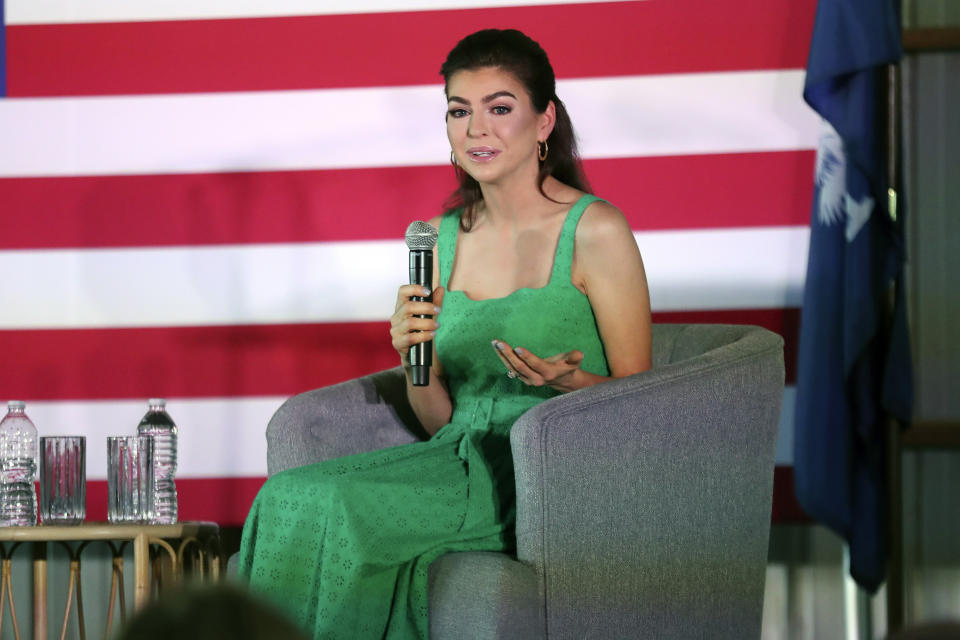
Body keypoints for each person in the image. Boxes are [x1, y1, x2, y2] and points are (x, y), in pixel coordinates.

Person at [238, 28, 652, 639]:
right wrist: (414, 358)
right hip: (454, 455)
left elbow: (642, 404)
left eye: (499, 108)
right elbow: (438, 420)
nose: (476, 129)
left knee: (333, 503)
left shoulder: (596, 231)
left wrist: (575, 382)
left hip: (545, 471)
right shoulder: (438, 237)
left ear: (544, 122)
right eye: (459, 111)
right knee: (286, 495)